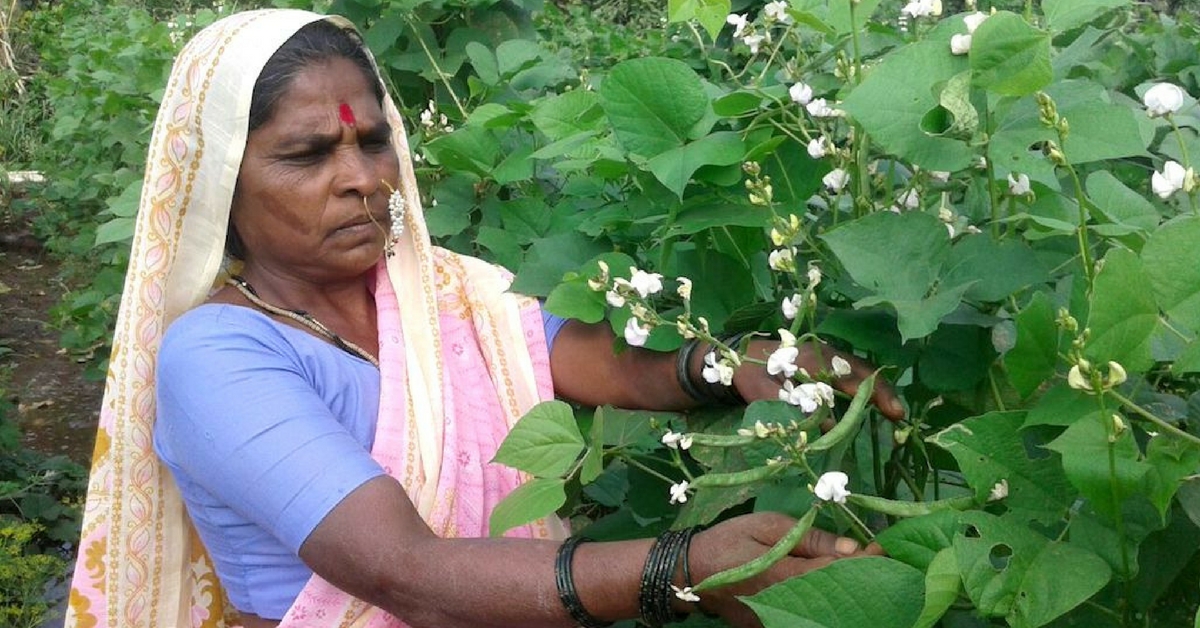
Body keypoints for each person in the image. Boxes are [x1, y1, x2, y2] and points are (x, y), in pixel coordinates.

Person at [65, 9, 905, 628]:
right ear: (220, 185)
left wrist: (739, 362)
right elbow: (406, 573)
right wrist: (689, 568)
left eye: (373, 143)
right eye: (308, 154)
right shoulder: (217, 356)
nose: (362, 178)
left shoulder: (439, 295)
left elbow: (593, 361)